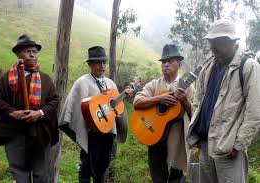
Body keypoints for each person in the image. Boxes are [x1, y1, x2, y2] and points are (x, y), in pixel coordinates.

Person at [186, 20, 260, 183]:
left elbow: (254, 112)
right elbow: (198, 101)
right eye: (210, 42)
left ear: (231, 41)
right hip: (205, 145)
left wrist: (239, 144)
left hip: (229, 148)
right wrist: (196, 132)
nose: (212, 47)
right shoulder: (208, 67)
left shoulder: (248, 67)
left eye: (217, 42)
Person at [0, 34, 59, 183]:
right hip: (15, 134)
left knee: (41, 175)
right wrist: (13, 113)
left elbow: (54, 101)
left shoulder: (45, 79)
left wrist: (39, 113)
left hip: (40, 134)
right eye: (28, 51)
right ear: (18, 54)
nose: (32, 54)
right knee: (20, 174)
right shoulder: (7, 78)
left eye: (35, 51)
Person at [59, 46, 132, 183]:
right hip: (91, 134)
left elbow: (117, 109)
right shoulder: (82, 82)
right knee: (86, 167)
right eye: (98, 62)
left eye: (104, 62)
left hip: (107, 133)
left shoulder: (110, 84)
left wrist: (119, 108)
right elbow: (73, 107)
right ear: (90, 64)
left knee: (103, 167)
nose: (102, 65)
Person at [133, 44, 194, 183]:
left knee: (176, 179)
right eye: (163, 62)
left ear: (179, 64)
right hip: (154, 137)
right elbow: (137, 102)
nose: (165, 64)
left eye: (170, 61)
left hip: (177, 142)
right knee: (157, 178)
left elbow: (195, 114)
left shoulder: (188, 87)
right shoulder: (154, 84)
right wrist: (158, 98)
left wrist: (185, 101)